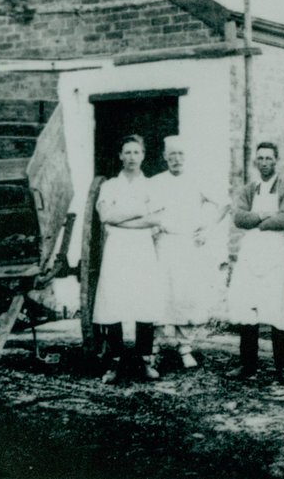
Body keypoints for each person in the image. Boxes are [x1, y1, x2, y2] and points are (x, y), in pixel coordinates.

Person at [91, 134, 164, 384]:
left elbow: (156, 219)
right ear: (120, 156)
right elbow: (105, 216)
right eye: (127, 152)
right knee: (114, 302)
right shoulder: (110, 186)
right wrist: (140, 211)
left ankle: (145, 361)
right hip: (117, 249)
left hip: (142, 248)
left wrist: (122, 219)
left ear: (143, 156)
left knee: (144, 302)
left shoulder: (151, 186)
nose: (132, 157)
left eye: (136, 152)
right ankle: (114, 363)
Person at [150, 135, 227, 368]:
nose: (176, 159)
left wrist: (207, 229)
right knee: (159, 296)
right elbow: (144, 209)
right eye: (171, 154)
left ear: (187, 156)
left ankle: (185, 348)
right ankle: (153, 348)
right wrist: (152, 225)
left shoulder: (197, 180)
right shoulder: (155, 182)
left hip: (187, 246)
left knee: (186, 296)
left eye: (180, 154)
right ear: (165, 157)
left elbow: (224, 204)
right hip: (162, 244)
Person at [225, 141, 284, 386]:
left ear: (276, 161)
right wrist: (264, 215)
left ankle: (283, 367)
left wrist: (258, 221)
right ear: (255, 162)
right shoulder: (249, 189)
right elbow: (238, 218)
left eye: (268, 158)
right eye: (260, 159)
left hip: (276, 251)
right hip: (251, 250)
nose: (264, 163)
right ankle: (248, 365)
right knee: (248, 307)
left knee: (277, 308)